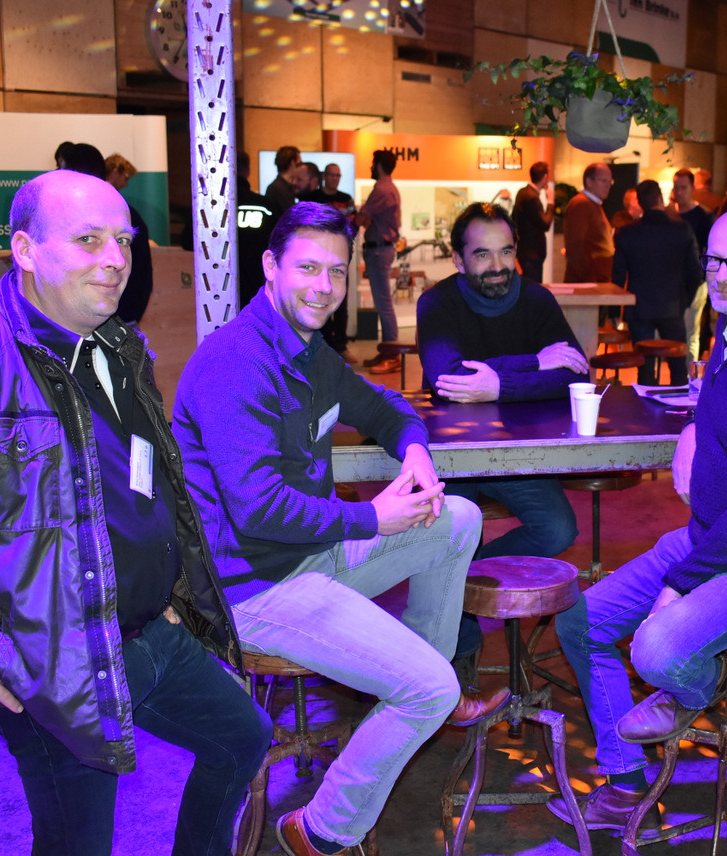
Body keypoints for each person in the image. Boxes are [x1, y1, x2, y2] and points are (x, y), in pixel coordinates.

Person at [0, 169, 270, 855]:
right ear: (24, 249)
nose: (115, 259)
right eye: (87, 240)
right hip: (49, 667)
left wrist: (168, 589)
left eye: (123, 241)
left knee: (242, 737)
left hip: (148, 635)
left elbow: (140, 484)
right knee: (80, 841)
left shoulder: (117, 349)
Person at [173, 201, 507, 856]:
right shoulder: (236, 363)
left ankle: (418, 686)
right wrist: (372, 517)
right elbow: (258, 508)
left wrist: (413, 450)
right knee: (429, 689)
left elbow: (383, 406)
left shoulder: (309, 352)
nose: (323, 286)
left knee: (458, 517)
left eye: (336, 270)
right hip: (251, 588)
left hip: (309, 555)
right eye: (307, 268)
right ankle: (323, 828)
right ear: (270, 267)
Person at [550, 202, 727, 837]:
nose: (723, 274)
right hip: (712, 536)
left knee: (658, 650)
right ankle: (627, 780)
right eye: (714, 260)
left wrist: (684, 581)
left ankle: (695, 687)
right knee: (580, 619)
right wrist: (692, 427)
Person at [416, 203, 586, 686]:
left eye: (506, 252)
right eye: (482, 254)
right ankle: (460, 645)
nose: (497, 266)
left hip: (516, 450)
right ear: (458, 259)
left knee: (557, 528)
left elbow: (574, 373)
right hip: (450, 453)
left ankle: (460, 585)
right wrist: (533, 363)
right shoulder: (437, 303)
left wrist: (497, 385)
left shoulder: (537, 300)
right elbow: (447, 378)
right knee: (452, 534)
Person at [611, 180, 702, 387]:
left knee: (644, 366)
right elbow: (695, 273)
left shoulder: (628, 233)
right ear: (660, 199)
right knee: (678, 366)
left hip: (639, 306)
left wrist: (614, 312)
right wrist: (684, 300)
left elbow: (618, 276)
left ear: (640, 203)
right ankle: (677, 403)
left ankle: (645, 404)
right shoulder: (681, 229)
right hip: (672, 304)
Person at [300, 162, 356, 359]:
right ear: (325, 176)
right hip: (315, 256)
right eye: (332, 175)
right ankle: (322, 345)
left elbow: (353, 226)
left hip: (339, 256)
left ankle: (340, 346)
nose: (335, 179)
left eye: (338, 176)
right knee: (316, 298)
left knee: (340, 301)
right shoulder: (313, 198)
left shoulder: (345, 199)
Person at [357, 149, 403, 371]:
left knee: (384, 304)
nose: (370, 167)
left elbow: (362, 218)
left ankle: (392, 356)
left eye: (373, 163)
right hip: (380, 250)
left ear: (380, 165)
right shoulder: (389, 188)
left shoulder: (382, 189)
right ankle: (387, 350)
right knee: (383, 303)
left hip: (379, 251)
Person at [102, 152, 155, 325]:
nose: (126, 184)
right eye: (125, 177)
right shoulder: (126, 214)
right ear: (114, 172)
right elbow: (142, 267)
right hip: (123, 310)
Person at [672, 168, 715, 358]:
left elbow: (709, 249)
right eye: (676, 188)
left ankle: (690, 371)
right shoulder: (670, 214)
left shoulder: (703, 216)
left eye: (683, 188)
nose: (679, 192)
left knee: (690, 331)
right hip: (673, 280)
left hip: (695, 279)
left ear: (692, 189)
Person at [235, 151, 278, 308]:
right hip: (257, 291)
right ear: (248, 171)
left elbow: (187, 240)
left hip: (215, 289)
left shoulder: (211, 209)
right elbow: (280, 242)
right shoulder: (264, 206)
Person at [563, 162, 615, 283]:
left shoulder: (593, 204)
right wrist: (590, 279)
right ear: (589, 182)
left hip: (595, 280)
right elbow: (575, 245)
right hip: (586, 283)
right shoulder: (581, 204)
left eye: (610, 181)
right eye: (604, 181)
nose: (608, 185)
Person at [512, 160, 554, 283]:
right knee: (532, 287)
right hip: (532, 254)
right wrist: (550, 202)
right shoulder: (532, 196)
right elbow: (545, 224)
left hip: (525, 251)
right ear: (545, 177)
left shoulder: (522, 192)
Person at [264, 145, 303, 215]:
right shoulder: (277, 188)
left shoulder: (280, 187)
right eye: (299, 164)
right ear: (292, 163)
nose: (301, 167)